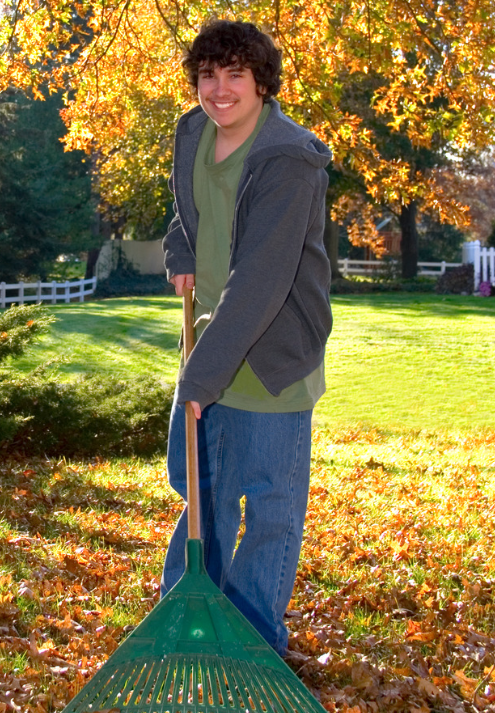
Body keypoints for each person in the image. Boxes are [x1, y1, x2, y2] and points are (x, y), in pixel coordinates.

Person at [161, 17, 333, 656]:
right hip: (213, 336)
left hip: (274, 351)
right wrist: (180, 244)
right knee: (202, 496)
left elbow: (261, 278)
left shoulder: (289, 158)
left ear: (263, 82)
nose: (220, 88)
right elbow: (188, 204)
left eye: (236, 74)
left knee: (268, 504)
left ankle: (256, 639)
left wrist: (198, 379)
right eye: (208, 74)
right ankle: (184, 621)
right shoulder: (193, 132)